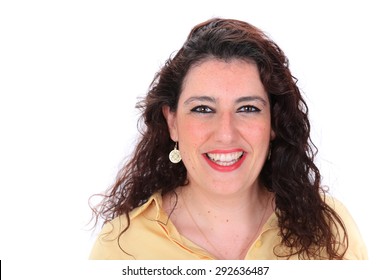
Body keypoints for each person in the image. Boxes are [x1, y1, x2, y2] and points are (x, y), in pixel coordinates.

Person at [89, 18, 367, 260]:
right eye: (203, 109)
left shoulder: (330, 228)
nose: (225, 133)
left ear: (273, 122)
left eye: (248, 108)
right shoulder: (120, 249)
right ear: (172, 122)